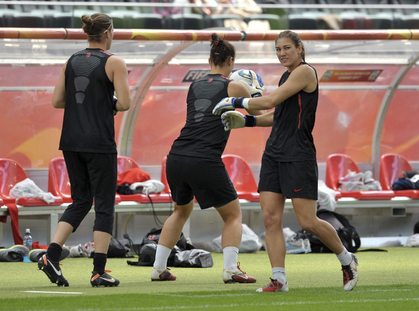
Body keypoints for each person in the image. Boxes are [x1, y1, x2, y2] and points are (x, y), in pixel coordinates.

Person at [212, 30, 359, 292]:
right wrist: (247, 121)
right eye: (278, 49)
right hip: (274, 153)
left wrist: (235, 100)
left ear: (300, 48)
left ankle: (347, 260)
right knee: (270, 218)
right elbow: (276, 115)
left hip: (298, 153)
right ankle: (279, 279)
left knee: (308, 221)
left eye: (287, 48)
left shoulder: (305, 72)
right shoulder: (286, 75)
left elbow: (270, 100)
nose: (282, 53)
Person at [150, 33, 259, 284]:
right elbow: (261, 109)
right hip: (204, 158)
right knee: (232, 214)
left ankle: (158, 268)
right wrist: (254, 92)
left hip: (177, 155)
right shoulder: (233, 85)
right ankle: (231, 270)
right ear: (230, 60)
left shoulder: (195, 84)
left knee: (180, 211)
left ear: (210, 59)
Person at [38, 13, 131, 288]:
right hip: (99, 142)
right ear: (109, 32)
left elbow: (57, 101)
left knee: (80, 200)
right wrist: (106, 103)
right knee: (104, 204)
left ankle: (51, 255)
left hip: (71, 140)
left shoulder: (71, 61)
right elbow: (125, 103)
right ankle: (98, 271)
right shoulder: (114, 62)